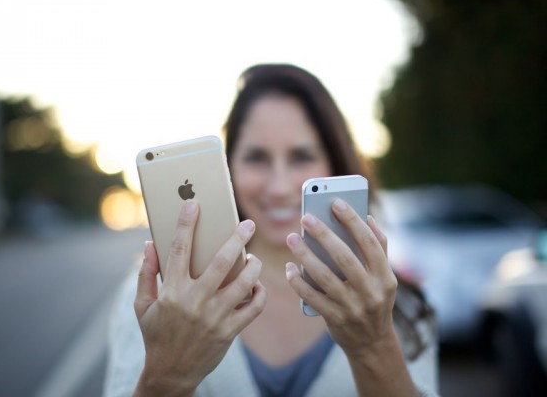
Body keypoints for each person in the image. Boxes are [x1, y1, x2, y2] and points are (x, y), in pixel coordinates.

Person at [104, 63, 438, 397]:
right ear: (228, 167)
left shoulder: (394, 302)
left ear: (333, 164)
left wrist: (374, 344)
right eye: (257, 157)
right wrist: (168, 376)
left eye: (301, 156)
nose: (279, 187)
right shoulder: (165, 296)